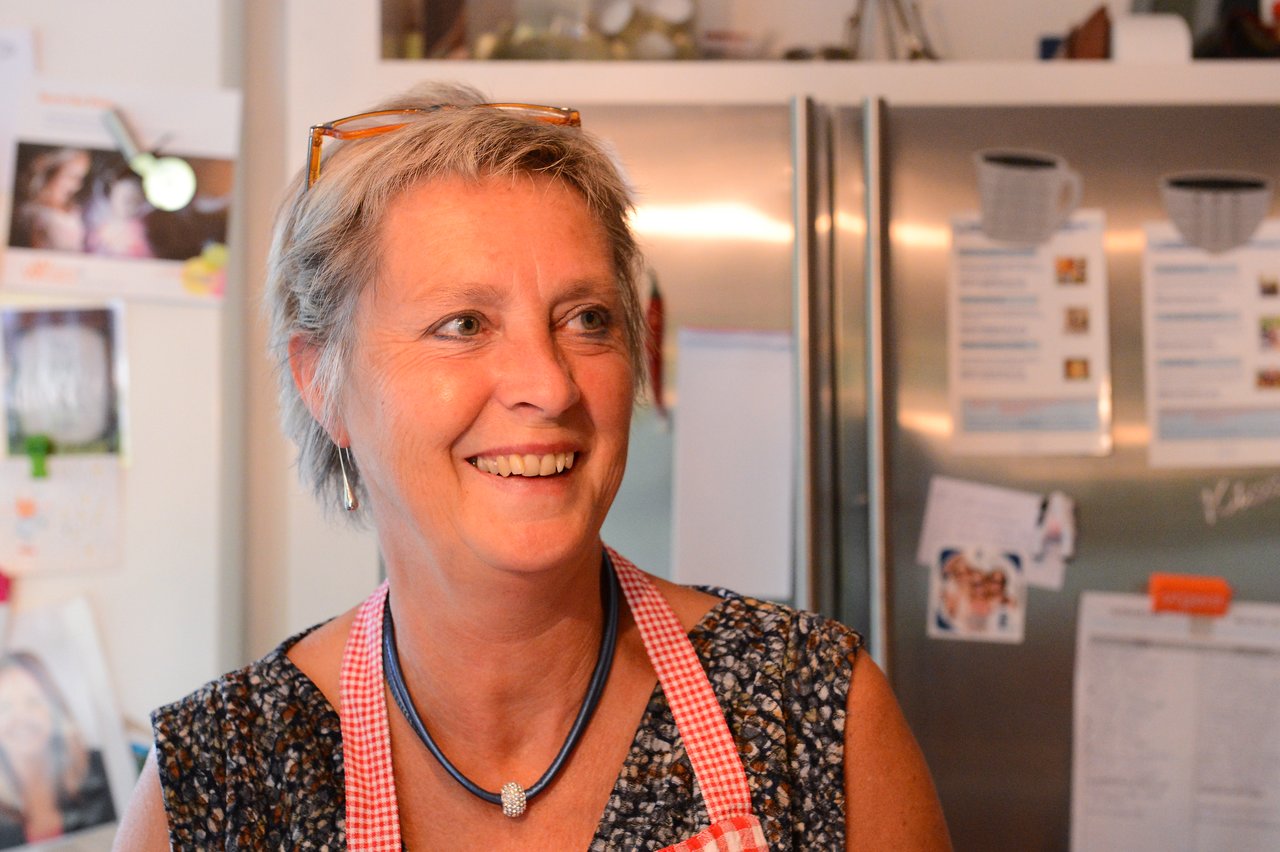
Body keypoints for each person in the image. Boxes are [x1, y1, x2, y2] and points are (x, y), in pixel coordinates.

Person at [115, 81, 950, 850]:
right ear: (321, 381)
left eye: (586, 318)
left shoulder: (813, 712)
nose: (549, 384)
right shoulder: (218, 782)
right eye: (464, 325)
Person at [0, 652, 116, 847]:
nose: (21, 717)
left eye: (33, 701)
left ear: (54, 708)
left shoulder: (105, 771)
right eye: (5, 706)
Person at [10, 147, 91, 252]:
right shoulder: (36, 216)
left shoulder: (72, 206)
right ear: (52, 172)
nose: (78, 185)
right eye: (72, 176)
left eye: (81, 177)